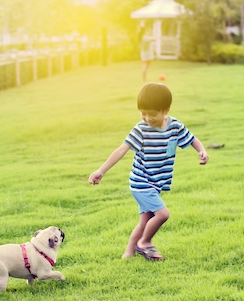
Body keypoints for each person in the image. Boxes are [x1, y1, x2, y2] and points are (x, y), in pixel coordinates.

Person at [88, 82, 209, 261]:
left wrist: (202, 150)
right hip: (141, 182)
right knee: (162, 214)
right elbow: (122, 149)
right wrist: (101, 170)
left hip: (156, 183)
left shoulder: (175, 126)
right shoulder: (141, 129)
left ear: (166, 110)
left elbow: (192, 139)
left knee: (145, 221)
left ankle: (128, 253)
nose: (147, 118)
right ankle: (145, 242)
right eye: (143, 113)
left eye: (152, 114)